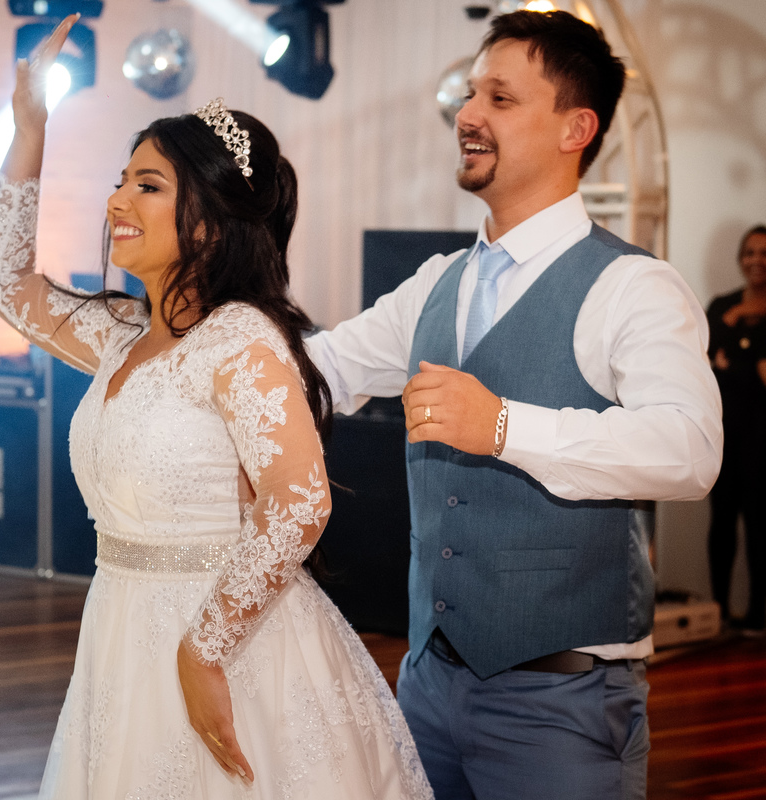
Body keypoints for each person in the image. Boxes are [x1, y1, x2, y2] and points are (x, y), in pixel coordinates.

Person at [0, 15, 431, 800]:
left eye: (147, 184)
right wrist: (28, 128)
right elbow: (3, 284)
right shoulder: (120, 334)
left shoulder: (239, 338)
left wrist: (205, 649)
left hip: (231, 645)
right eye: (122, 180)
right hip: (120, 630)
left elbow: (299, 501)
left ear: (211, 221)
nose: (118, 199)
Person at [306, 10, 722, 800]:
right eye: (470, 94)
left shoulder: (633, 286)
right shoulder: (436, 282)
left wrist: (502, 426)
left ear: (576, 128)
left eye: (499, 97)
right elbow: (319, 370)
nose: (467, 115)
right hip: (425, 685)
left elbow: (691, 449)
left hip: (563, 704)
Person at [706, 224, 766, 630]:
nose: (756, 261)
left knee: (760, 525)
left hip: (762, 437)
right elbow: (703, 366)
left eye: (764, 253)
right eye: (749, 253)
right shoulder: (721, 305)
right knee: (722, 522)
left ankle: (757, 617)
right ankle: (720, 614)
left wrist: (731, 366)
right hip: (724, 434)